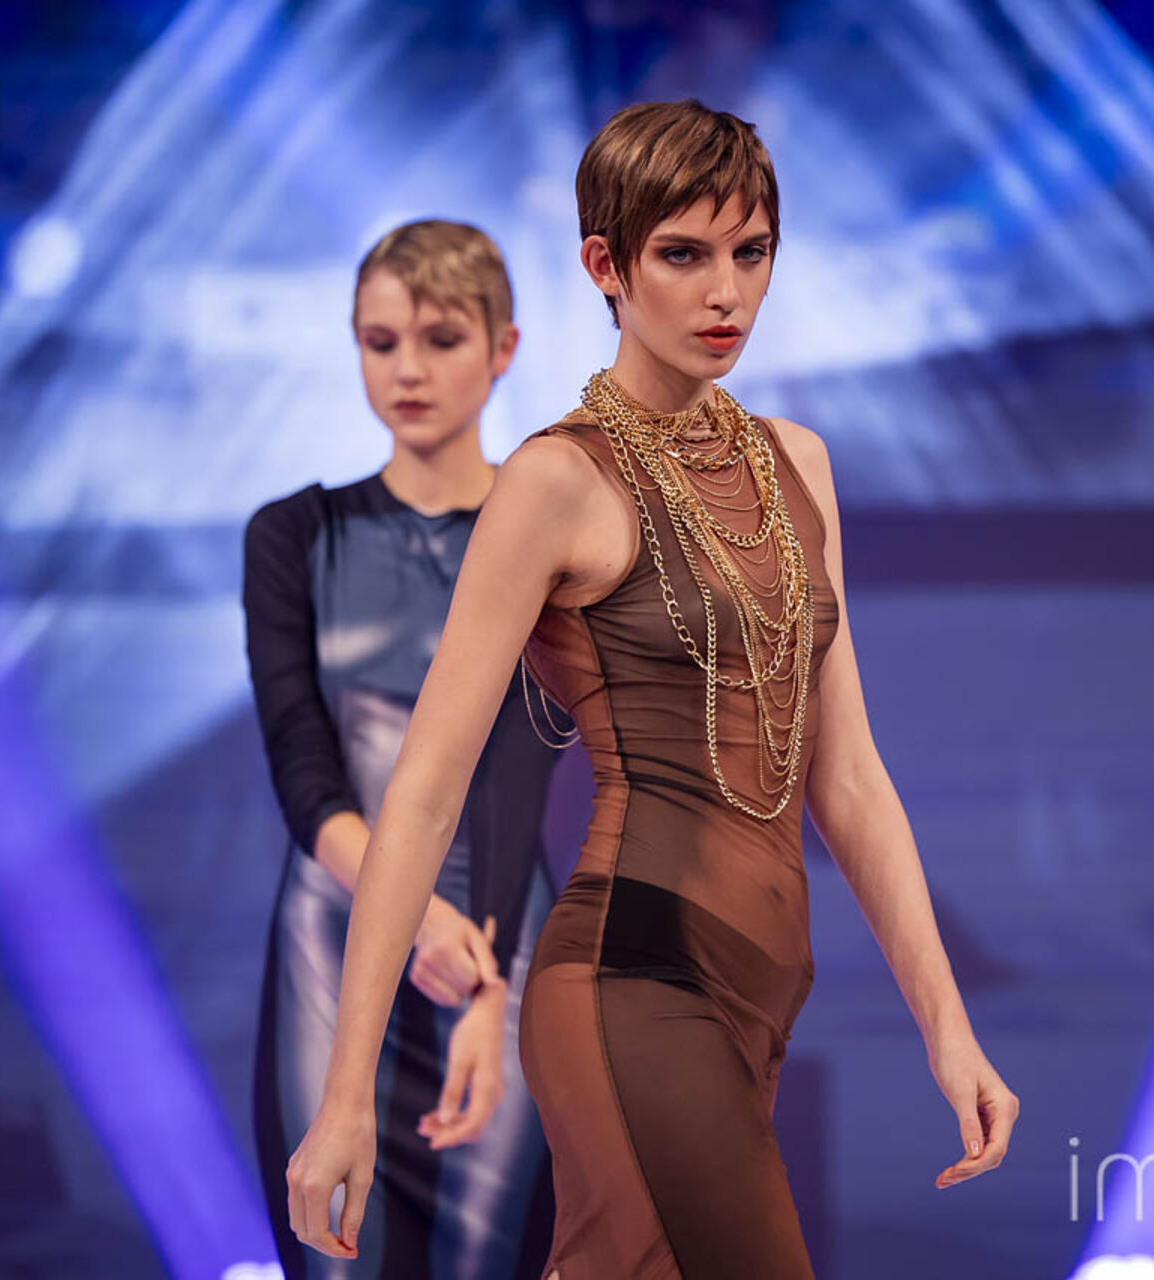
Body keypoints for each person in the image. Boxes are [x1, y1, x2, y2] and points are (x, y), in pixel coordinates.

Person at [285, 101, 1020, 1279]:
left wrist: (949, 1028)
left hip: (759, 993)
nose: (724, 291)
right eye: (682, 253)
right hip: (633, 978)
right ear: (606, 265)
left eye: (751, 251)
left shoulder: (798, 463)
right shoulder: (554, 481)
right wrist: (346, 1092)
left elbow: (847, 776)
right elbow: (424, 790)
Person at [242, 219, 562, 1279]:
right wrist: (409, 910)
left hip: (502, 932)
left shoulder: (551, 528)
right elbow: (302, 764)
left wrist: (488, 972)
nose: (408, 370)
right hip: (333, 930)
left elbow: (520, 766)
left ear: (504, 348)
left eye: (441, 339)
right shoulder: (294, 534)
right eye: (382, 343)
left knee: (491, 1254)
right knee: (335, 1250)